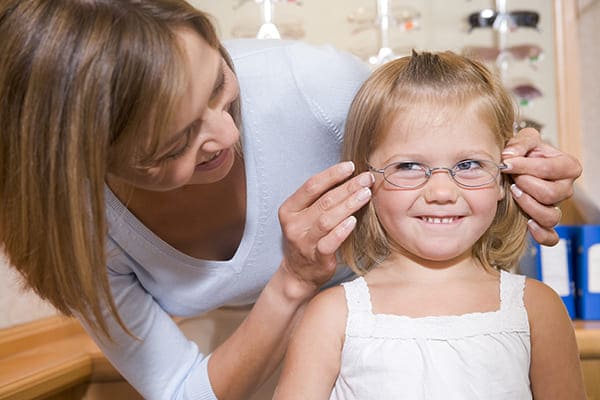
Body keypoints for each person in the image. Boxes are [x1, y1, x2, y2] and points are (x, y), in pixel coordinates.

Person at [0, 1, 581, 399]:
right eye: (175, 142)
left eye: (221, 90)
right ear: (84, 162)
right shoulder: (72, 232)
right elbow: (182, 389)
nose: (228, 136)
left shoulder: (317, 88)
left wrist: (522, 158)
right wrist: (292, 284)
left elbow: (445, 129)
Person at [274, 51, 586, 399]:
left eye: (468, 164)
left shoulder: (536, 309)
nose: (441, 191)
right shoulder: (333, 316)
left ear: (503, 179)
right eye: (408, 166)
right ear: (365, 182)